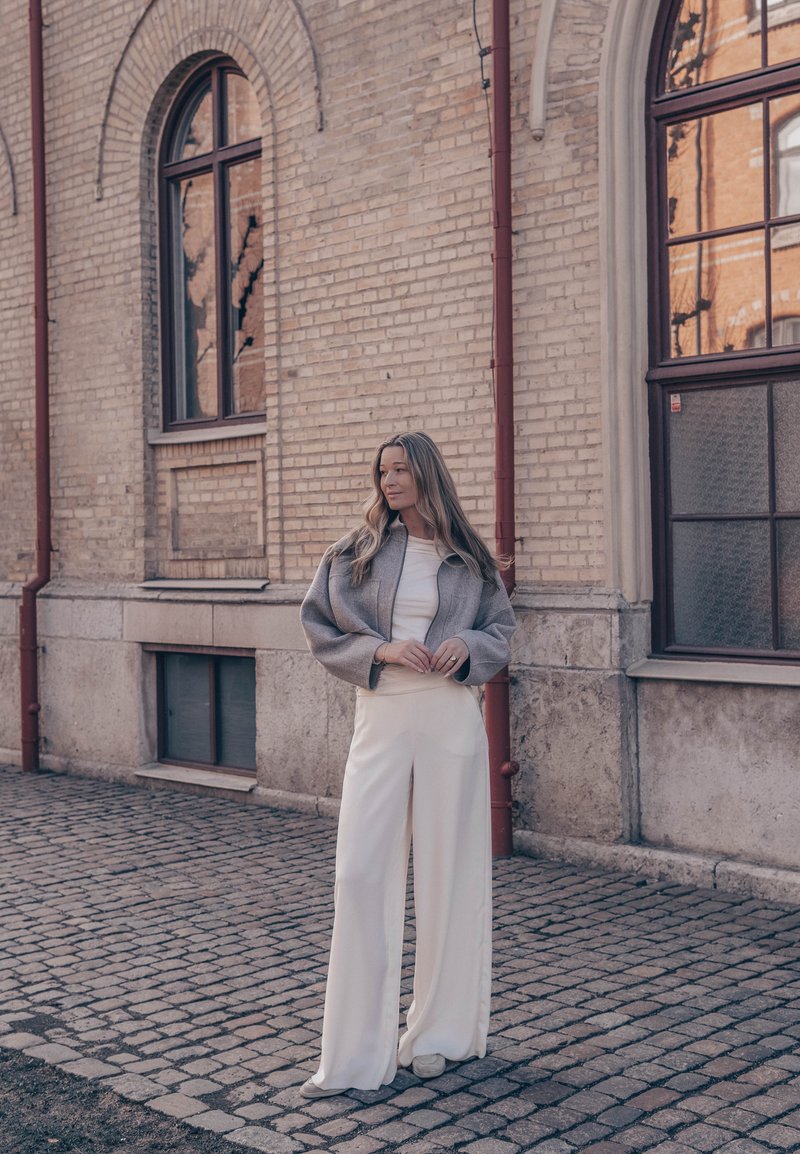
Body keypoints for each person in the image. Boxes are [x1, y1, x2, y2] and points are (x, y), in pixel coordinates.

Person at [299, 431, 516, 1096]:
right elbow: (319, 627)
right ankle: (356, 1052)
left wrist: (468, 645)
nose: (389, 481)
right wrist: (382, 650)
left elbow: (502, 631)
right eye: (383, 471)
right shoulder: (355, 551)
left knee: (452, 874)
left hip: (451, 719)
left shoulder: (467, 556)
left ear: (426, 475)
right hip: (384, 717)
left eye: (400, 470)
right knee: (362, 872)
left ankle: (438, 1035)